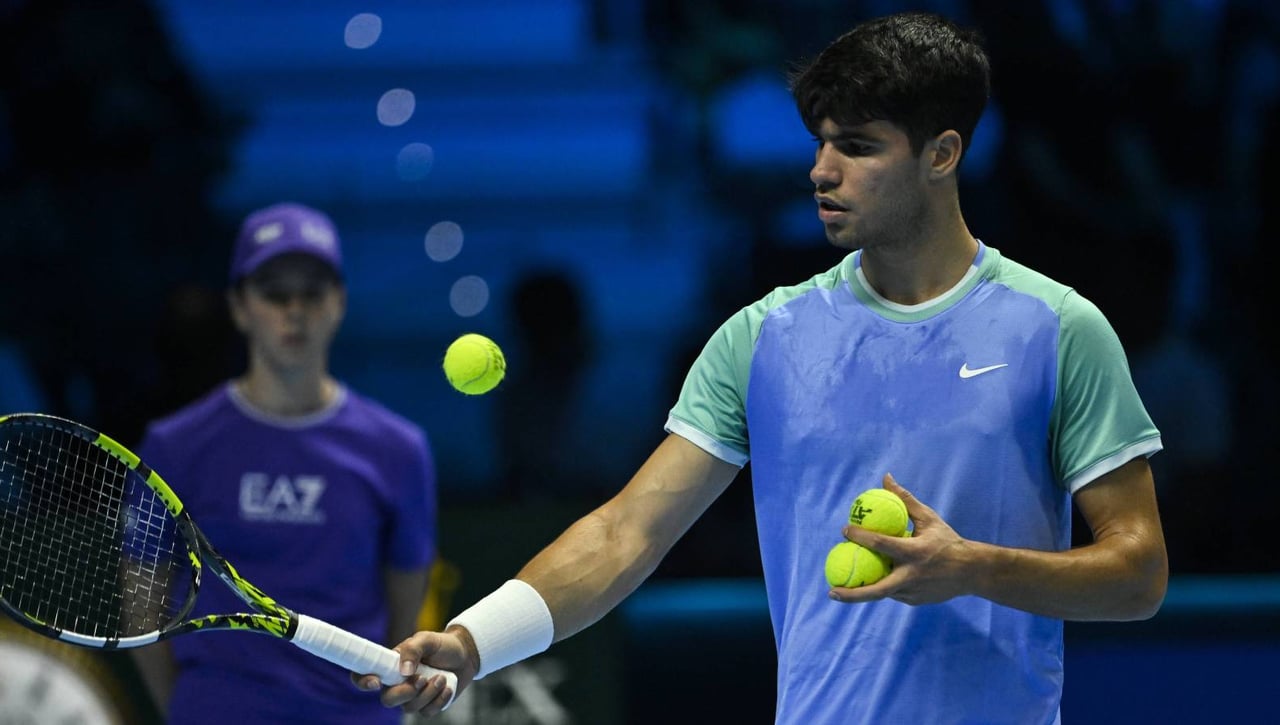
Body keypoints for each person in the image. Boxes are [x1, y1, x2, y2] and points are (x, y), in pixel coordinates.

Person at [361, 12, 1168, 723]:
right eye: (819, 141)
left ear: (942, 153)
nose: (821, 170)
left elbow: (1137, 575)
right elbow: (623, 532)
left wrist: (971, 567)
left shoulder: (1057, 328)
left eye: (857, 147)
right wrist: (473, 640)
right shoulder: (762, 337)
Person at [132, 202, 440, 724]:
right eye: (275, 293)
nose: (294, 309)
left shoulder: (400, 450)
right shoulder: (173, 446)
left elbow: (404, 609)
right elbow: (141, 600)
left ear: (339, 302)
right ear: (239, 306)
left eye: (313, 292)